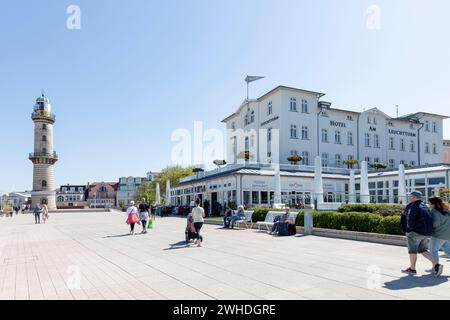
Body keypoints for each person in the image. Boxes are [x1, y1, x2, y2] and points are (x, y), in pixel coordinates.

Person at [400, 191, 443, 276]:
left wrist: (408, 230)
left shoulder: (413, 206)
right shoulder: (425, 206)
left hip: (415, 233)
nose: (409, 197)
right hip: (426, 233)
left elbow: (410, 219)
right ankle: (437, 265)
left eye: (410, 196)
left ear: (414, 197)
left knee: (412, 251)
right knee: (423, 250)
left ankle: (412, 269)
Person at [428, 196, 450, 268]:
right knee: (448, 250)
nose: (429, 204)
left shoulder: (434, 211)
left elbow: (436, 223)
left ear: (433, 204)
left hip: (438, 235)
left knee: (433, 251)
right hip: (447, 234)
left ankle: (436, 267)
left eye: (429, 203)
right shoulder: (446, 209)